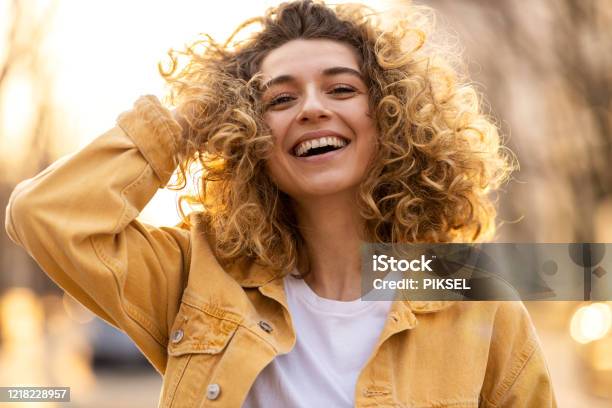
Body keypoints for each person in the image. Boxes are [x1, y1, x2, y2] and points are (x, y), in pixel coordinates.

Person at [4, 1, 557, 406]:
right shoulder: (199, 274)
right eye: (280, 99)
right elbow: (44, 215)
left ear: (392, 118)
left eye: (342, 89)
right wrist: (189, 121)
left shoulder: (466, 288)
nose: (312, 108)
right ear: (248, 132)